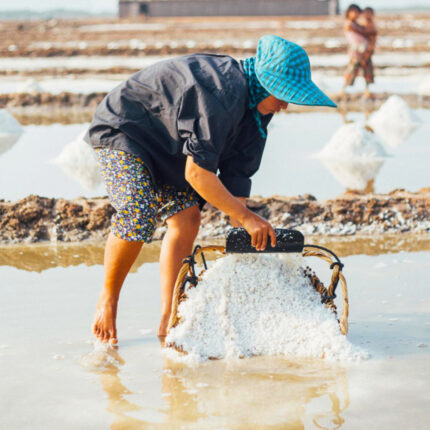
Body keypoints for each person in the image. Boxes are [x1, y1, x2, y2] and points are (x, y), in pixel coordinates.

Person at [86, 35, 337, 344]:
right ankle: (108, 298)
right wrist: (246, 218)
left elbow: (236, 182)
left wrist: (248, 230)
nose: (285, 104)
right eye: (283, 95)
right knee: (138, 211)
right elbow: (197, 174)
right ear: (266, 82)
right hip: (125, 129)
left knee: (188, 219)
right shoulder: (220, 93)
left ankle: (169, 315)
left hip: (172, 145)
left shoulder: (259, 115)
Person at [342, 4, 377, 96]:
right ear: (349, 13)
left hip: (365, 50)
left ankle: (367, 90)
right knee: (352, 69)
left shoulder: (360, 24)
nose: (356, 15)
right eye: (354, 12)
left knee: (367, 70)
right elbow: (362, 33)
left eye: (357, 13)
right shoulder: (350, 24)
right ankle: (343, 90)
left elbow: (368, 35)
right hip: (356, 51)